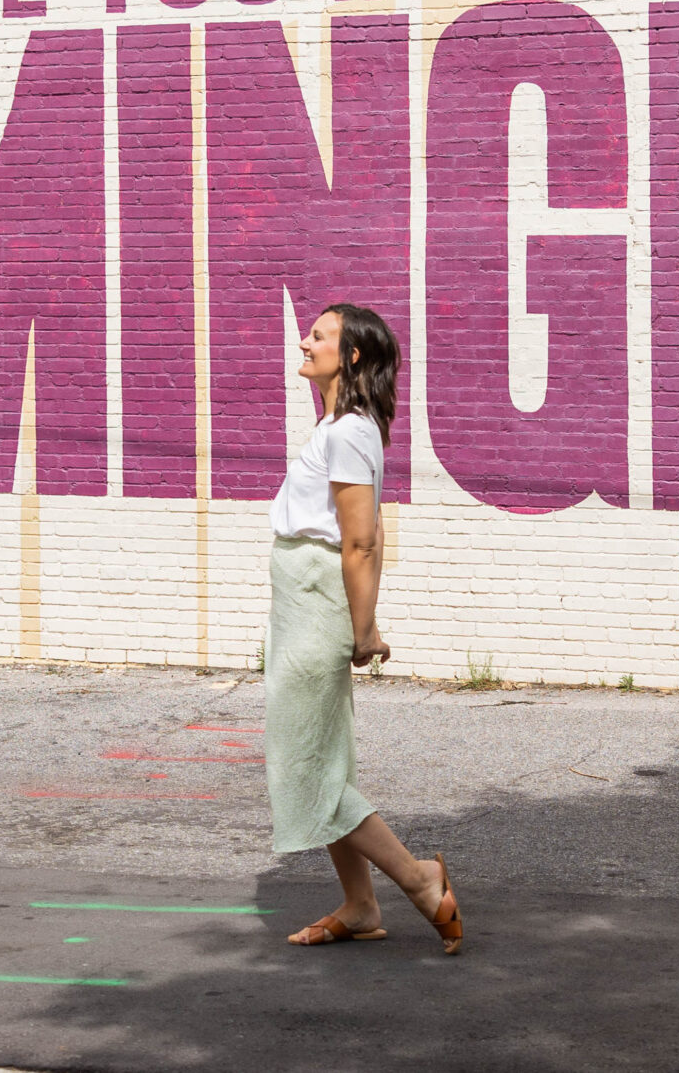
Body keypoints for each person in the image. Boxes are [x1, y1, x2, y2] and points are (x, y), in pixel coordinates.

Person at [265, 302, 464, 954]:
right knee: (326, 760)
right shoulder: (334, 426)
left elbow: (360, 541)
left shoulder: (350, 430)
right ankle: (359, 903)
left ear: (350, 355)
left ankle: (419, 880)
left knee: (307, 767)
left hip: (321, 603)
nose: (305, 339)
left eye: (320, 335)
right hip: (300, 602)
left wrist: (364, 627)